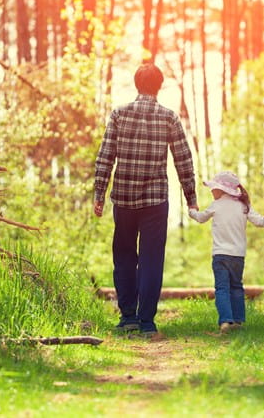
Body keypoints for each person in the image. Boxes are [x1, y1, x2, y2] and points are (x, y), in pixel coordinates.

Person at [93, 63, 197, 336]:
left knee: (124, 255)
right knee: (152, 258)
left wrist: (99, 194)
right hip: (155, 201)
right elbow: (183, 159)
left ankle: (128, 316)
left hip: (124, 199)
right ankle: (147, 321)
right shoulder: (168, 117)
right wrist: (191, 197)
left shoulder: (119, 115)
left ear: (137, 85)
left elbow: (105, 157)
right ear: (159, 86)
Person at [189, 171, 264, 332]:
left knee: (222, 288)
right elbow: (259, 221)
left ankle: (225, 321)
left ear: (222, 190)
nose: (211, 191)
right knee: (236, 287)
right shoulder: (243, 205)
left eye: (213, 188)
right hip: (238, 256)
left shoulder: (216, 205)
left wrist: (192, 211)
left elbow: (201, 218)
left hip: (220, 255)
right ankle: (238, 321)